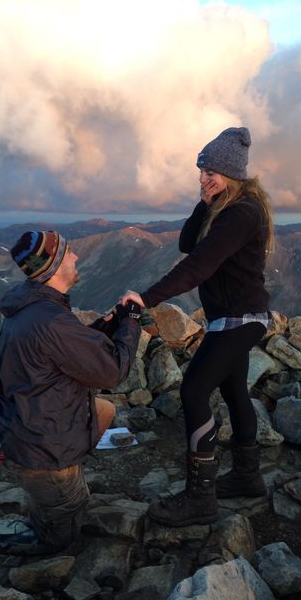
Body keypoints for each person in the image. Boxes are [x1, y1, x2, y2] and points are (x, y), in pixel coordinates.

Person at [0, 230, 141, 580]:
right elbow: (112, 373)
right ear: (53, 268)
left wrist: (105, 327)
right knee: (60, 536)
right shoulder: (49, 319)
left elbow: (67, 350)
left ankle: (53, 497)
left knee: (104, 411)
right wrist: (133, 322)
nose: (77, 257)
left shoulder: (32, 310)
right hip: (44, 449)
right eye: (69, 253)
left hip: (29, 429)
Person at [120, 127, 274, 527]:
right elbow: (188, 243)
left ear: (234, 174)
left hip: (240, 319)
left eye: (213, 173)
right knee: (234, 390)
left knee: (193, 390)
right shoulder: (226, 207)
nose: (205, 178)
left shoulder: (243, 212)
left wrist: (147, 298)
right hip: (237, 317)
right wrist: (204, 203)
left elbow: (198, 264)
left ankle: (201, 498)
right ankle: (247, 476)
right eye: (202, 170)